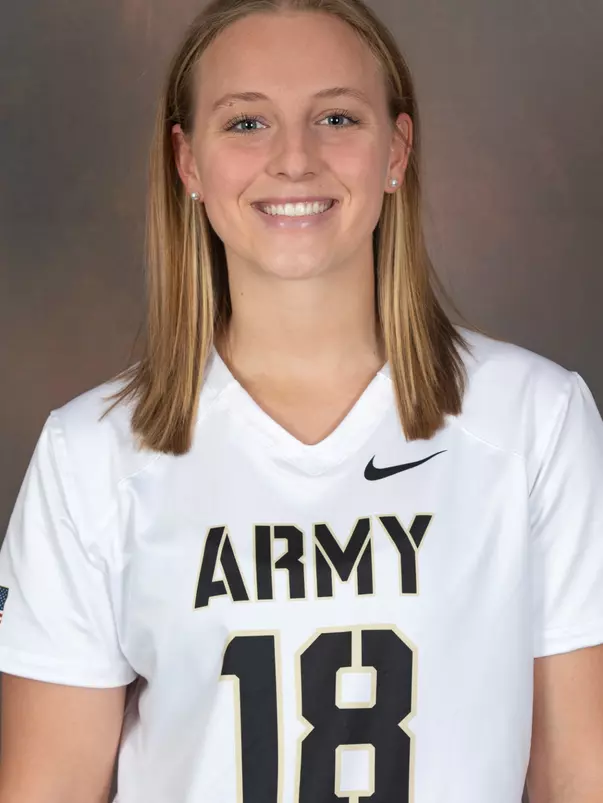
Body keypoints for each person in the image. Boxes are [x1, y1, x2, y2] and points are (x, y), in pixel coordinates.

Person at [1, 0, 602, 801]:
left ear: (396, 148)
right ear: (187, 163)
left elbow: (576, 776)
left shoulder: (537, 420)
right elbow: (50, 787)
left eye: (336, 117)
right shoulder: (90, 454)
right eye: (246, 123)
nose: (293, 158)